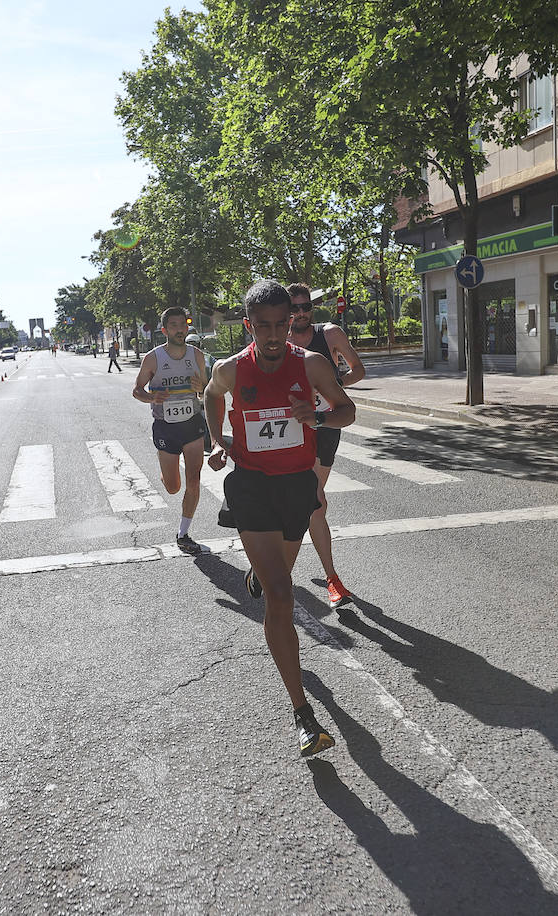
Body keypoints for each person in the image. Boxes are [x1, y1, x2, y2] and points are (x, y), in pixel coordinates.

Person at [205, 279, 356, 756]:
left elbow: (346, 410)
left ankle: (260, 571)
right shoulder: (230, 369)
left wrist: (316, 419)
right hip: (251, 487)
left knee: (279, 579)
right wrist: (215, 441)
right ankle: (303, 713)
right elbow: (211, 395)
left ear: (291, 322)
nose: (273, 335)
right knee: (281, 594)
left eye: (281, 325)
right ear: (249, 325)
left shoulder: (309, 364)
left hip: (296, 488)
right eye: (263, 326)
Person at [285, 282, 366, 608]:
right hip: (290, 429)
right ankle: (274, 565)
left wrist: (334, 384)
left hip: (326, 425)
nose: (302, 313)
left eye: (307, 307)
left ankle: (332, 580)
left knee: (314, 501)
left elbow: (358, 369)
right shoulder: (278, 340)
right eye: (295, 308)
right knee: (299, 501)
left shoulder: (330, 334)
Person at [134, 307, 210, 556]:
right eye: (174, 325)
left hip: (192, 424)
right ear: (165, 330)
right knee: (173, 487)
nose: (180, 329)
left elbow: (207, 392)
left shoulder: (197, 356)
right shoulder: (153, 358)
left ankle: (183, 533)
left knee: (194, 480)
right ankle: (166, 474)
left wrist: (202, 388)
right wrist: (152, 397)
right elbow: (137, 390)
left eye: (183, 324)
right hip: (165, 427)